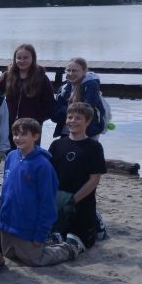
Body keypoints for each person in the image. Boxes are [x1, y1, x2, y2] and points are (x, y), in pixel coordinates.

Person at [0, 118, 84, 266]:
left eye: (23, 134)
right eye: (15, 134)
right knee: (10, 255)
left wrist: (40, 234)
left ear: (35, 136)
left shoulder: (42, 165)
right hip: (8, 221)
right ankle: (53, 239)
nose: (18, 138)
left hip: (27, 223)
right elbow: (6, 188)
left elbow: (47, 203)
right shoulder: (11, 156)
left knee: (34, 260)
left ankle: (69, 248)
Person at [49, 103, 107, 249]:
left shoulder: (94, 147)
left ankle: (96, 222)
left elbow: (94, 180)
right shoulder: (56, 145)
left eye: (78, 118)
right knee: (54, 237)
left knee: (80, 242)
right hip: (59, 199)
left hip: (82, 200)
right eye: (70, 117)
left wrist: (73, 200)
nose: (73, 121)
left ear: (88, 121)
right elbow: (48, 175)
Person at [0, 44, 55, 147]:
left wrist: (37, 120)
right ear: (14, 59)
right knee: (10, 153)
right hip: (9, 125)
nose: (22, 61)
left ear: (33, 58)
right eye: (19, 58)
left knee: (30, 153)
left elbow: (50, 103)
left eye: (26, 58)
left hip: (31, 127)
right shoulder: (8, 76)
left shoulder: (41, 78)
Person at [51, 57, 107, 138]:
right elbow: (55, 113)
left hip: (88, 131)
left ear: (84, 71)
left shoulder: (91, 85)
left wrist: (64, 109)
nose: (71, 73)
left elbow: (87, 109)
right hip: (66, 130)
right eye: (68, 70)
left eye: (75, 71)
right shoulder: (63, 87)